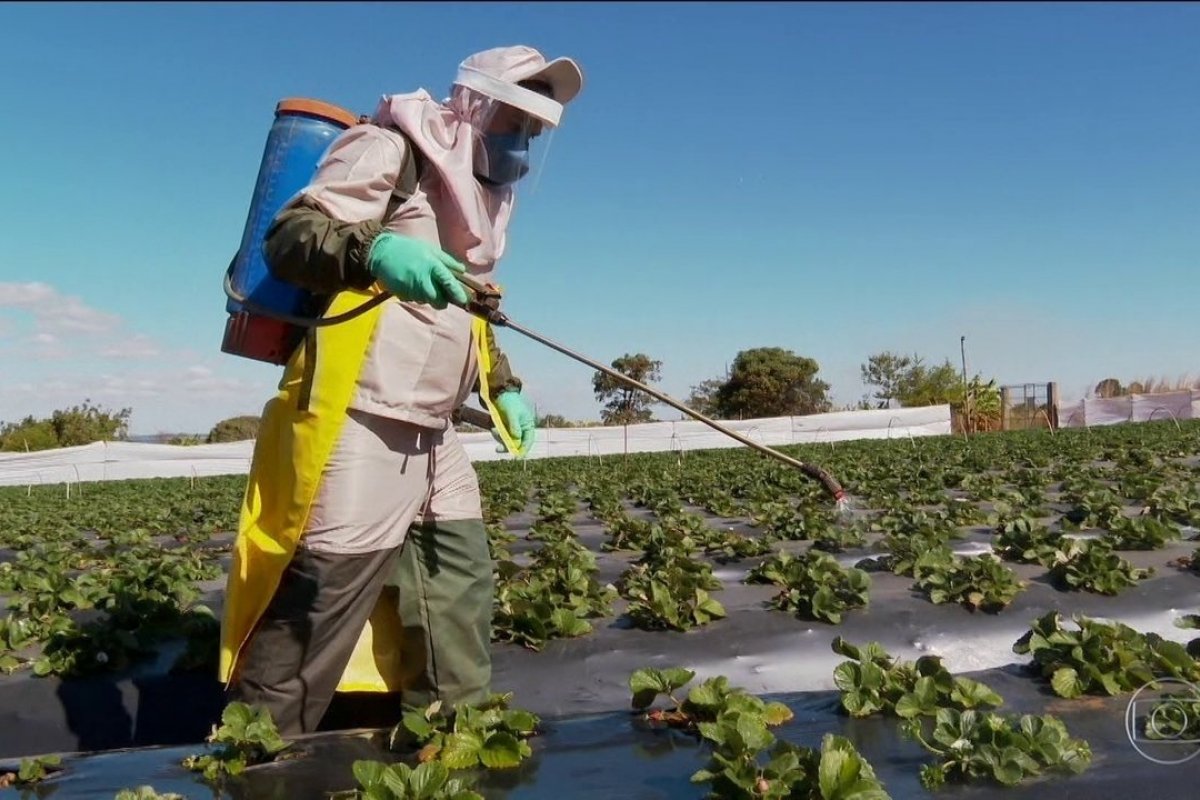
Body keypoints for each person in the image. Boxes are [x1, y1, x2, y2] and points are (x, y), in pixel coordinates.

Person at [217, 45, 584, 735]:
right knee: (324, 592)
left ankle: (452, 733)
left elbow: (469, 312)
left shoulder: (482, 202)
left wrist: (503, 385)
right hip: (362, 410)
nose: (519, 142)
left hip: (434, 425)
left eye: (532, 132)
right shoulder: (389, 148)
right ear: (474, 104)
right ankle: (256, 749)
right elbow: (293, 235)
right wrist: (375, 252)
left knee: (459, 579)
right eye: (512, 120)